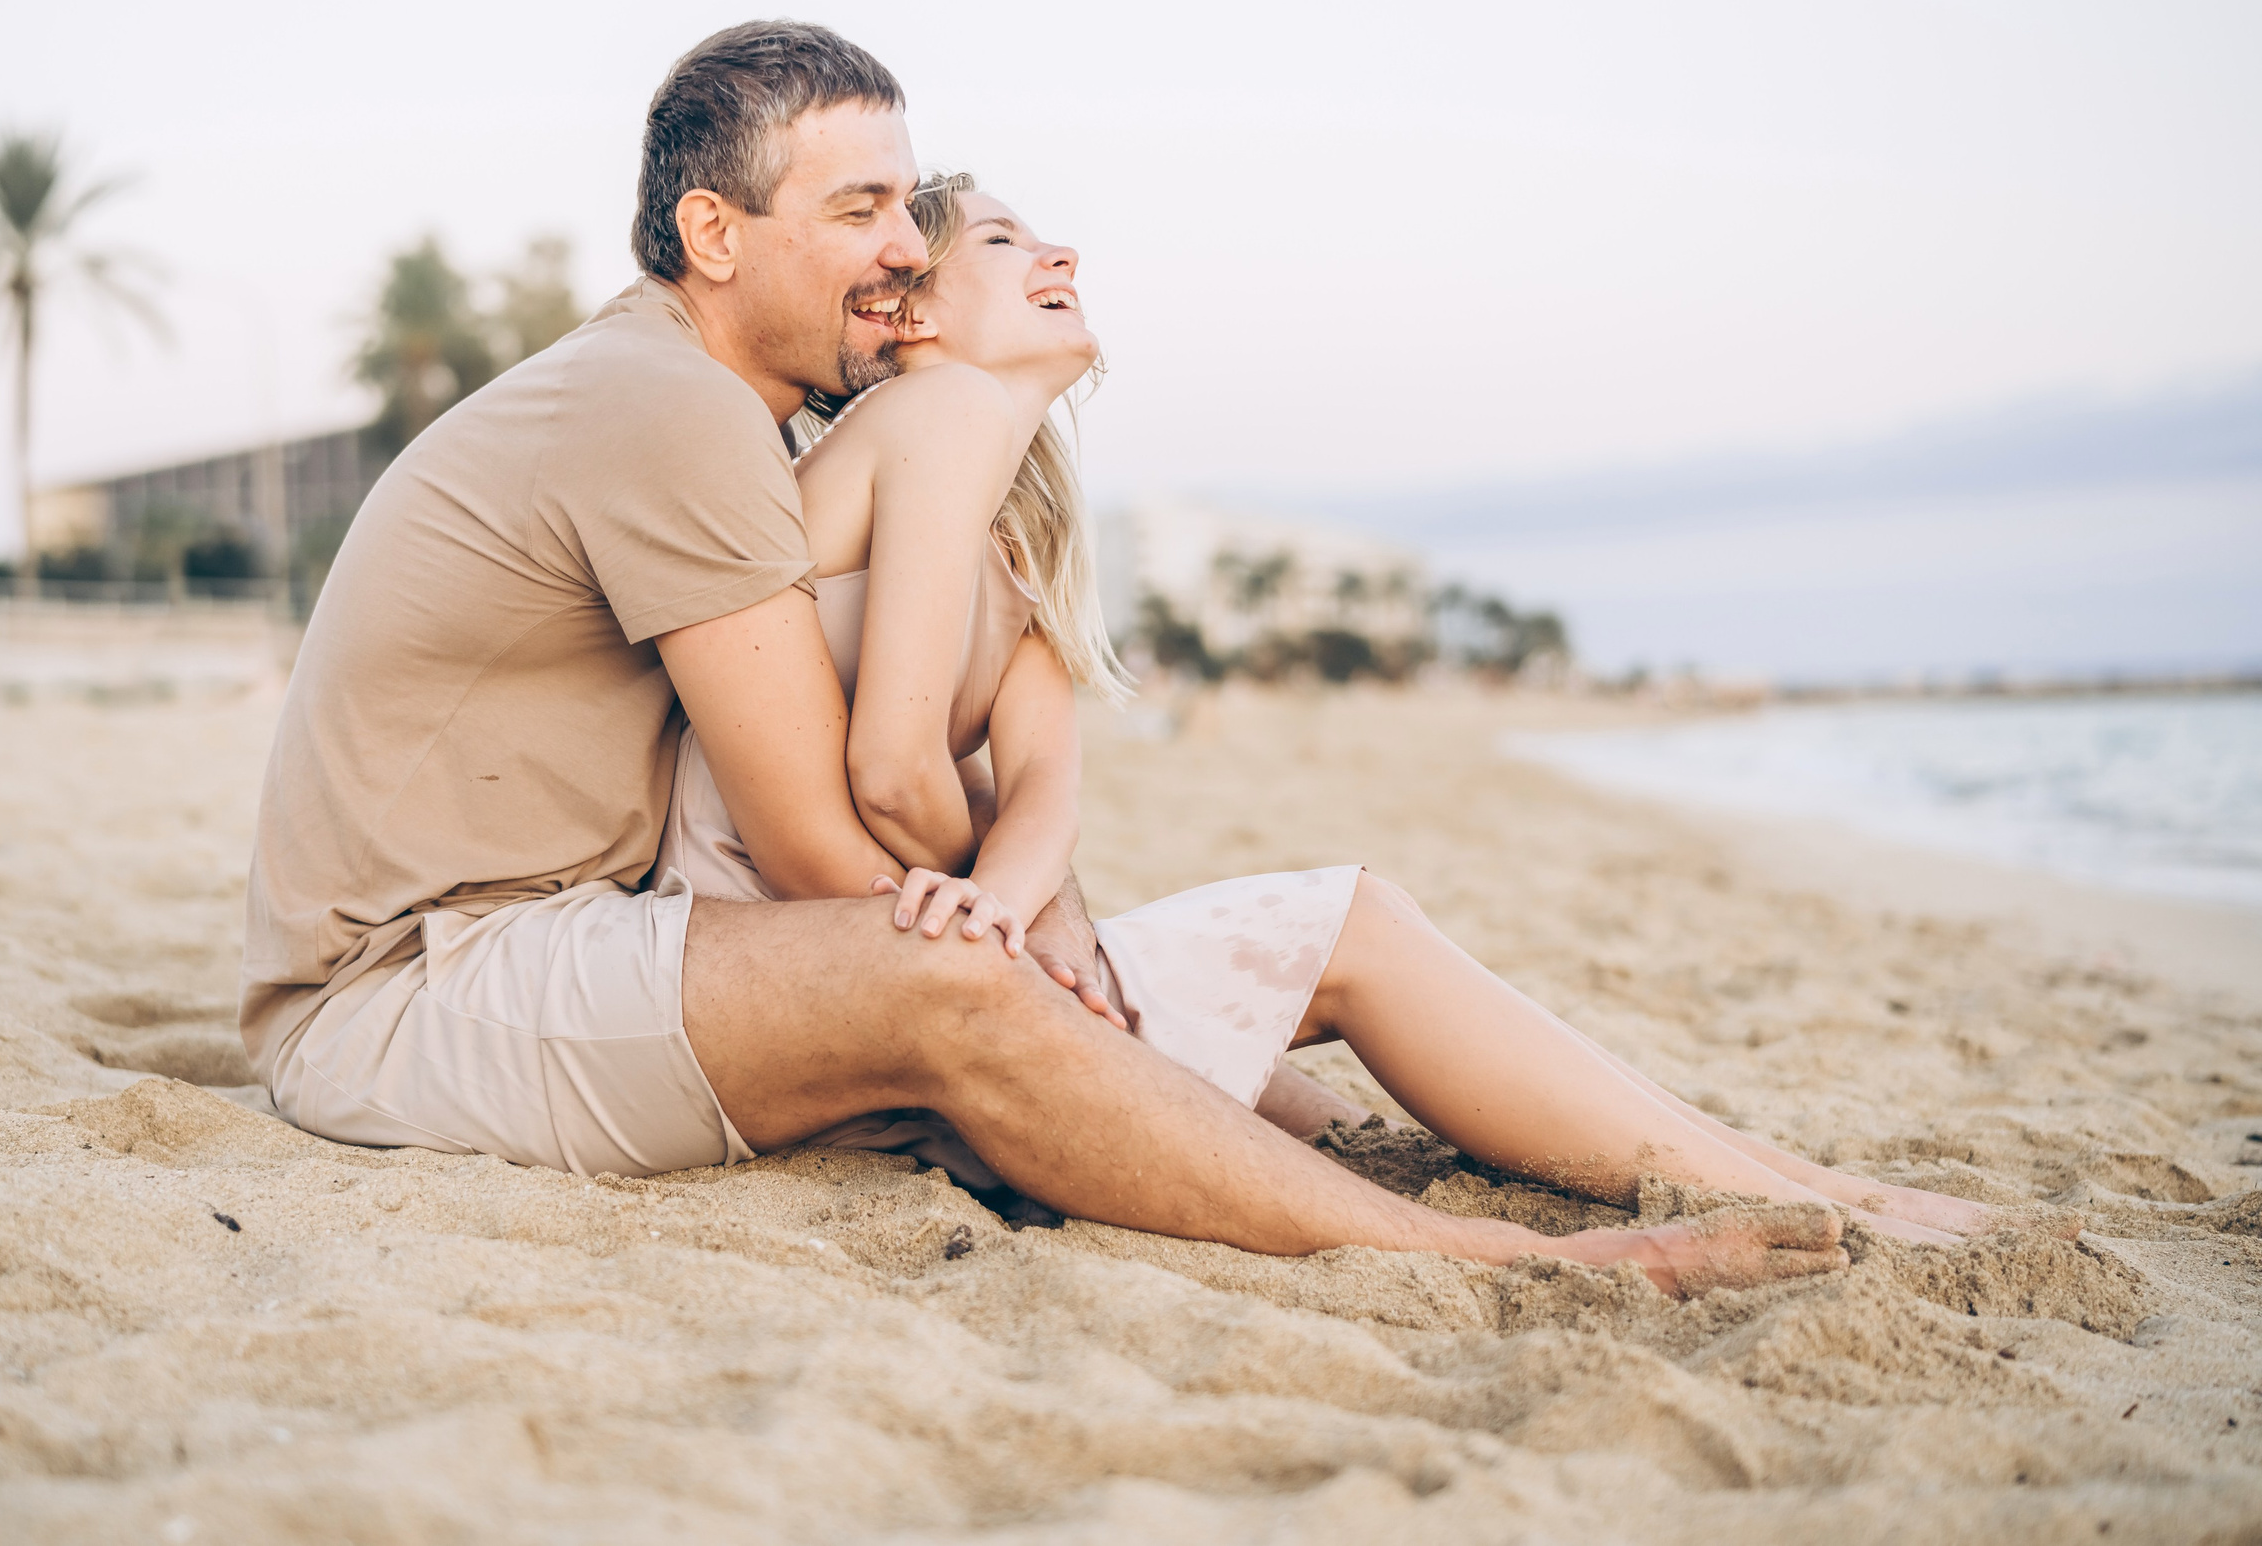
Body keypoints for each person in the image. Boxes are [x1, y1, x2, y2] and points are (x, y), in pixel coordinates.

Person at [241, 18, 1857, 1297]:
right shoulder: (667, 407)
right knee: (959, 982)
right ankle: (1518, 1264)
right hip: (413, 990)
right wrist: (1037, 939)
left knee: (1180, 983)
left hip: (578, 937)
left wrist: (1049, 906)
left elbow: (932, 764)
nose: (899, 246)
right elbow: (816, 830)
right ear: (710, 233)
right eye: (858, 208)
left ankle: (1784, 1180)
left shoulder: (755, 416)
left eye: (906, 201)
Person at [653, 169, 2013, 1248]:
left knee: (1346, 968)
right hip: (807, 973)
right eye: (1007, 242)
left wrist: (1020, 900)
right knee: (1353, 923)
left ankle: (1788, 1175)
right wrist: (1011, 913)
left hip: (895, 942)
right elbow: (893, 775)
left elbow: (1047, 784)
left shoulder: (1019, 544)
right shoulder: (930, 417)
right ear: (922, 316)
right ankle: (1799, 1191)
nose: (1061, 255)